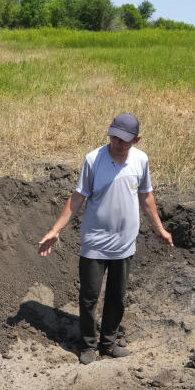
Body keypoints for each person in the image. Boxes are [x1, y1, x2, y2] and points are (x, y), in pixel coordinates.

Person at [38, 113, 174, 365]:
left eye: (123, 139)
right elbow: (78, 197)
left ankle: (108, 342)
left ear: (136, 139)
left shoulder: (141, 160)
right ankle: (89, 344)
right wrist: (55, 230)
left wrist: (159, 228)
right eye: (113, 136)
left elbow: (146, 196)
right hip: (95, 242)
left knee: (117, 296)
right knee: (89, 296)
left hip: (124, 243)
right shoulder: (93, 159)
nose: (117, 143)